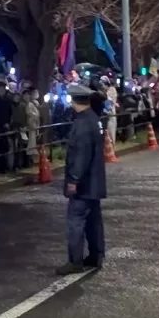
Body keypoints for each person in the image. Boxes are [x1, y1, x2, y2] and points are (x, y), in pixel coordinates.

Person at [56, 85, 107, 276]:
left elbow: (80, 155)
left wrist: (73, 180)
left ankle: (75, 260)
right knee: (94, 220)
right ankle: (96, 255)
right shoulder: (94, 119)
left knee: (76, 221)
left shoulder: (81, 123)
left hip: (83, 183)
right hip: (94, 181)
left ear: (74, 100)